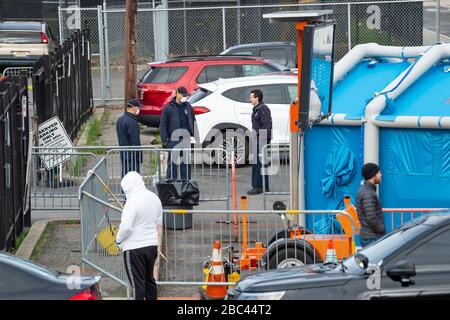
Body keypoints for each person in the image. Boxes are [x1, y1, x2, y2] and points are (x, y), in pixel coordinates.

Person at [115, 171, 162, 300]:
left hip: (134, 248)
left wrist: (118, 240)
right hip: (151, 246)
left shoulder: (131, 202)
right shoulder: (154, 198)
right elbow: (158, 221)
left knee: (137, 285)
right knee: (149, 280)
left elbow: (126, 227)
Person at [159, 86, 197, 180]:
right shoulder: (168, 108)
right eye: (183, 95)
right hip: (173, 140)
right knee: (172, 165)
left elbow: (193, 121)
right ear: (177, 94)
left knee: (186, 164)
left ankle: (186, 184)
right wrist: (164, 140)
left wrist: (196, 137)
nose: (185, 97)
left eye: (186, 95)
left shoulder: (188, 107)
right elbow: (163, 124)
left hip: (186, 139)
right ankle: (171, 185)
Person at [248, 89, 272, 195]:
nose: (250, 99)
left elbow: (266, 126)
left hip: (261, 140)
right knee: (261, 163)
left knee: (258, 163)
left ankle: (257, 186)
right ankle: (264, 186)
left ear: (257, 98)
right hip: (257, 139)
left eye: (251, 97)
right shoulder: (256, 109)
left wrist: (263, 142)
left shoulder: (263, 109)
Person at [356, 163, 386, 247]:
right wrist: (381, 229)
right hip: (372, 238)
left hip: (369, 236)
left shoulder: (366, 190)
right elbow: (371, 216)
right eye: (379, 173)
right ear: (373, 175)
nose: (381, 175)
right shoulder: (368, 193)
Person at [116, 99, 142, 177]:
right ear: (134, 108)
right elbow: (135, 141)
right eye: (138, 107)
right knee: (133, 178)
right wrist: (138, 156)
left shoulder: (120, 120)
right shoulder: (132, 122)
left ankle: (123, 190)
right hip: (132, 155)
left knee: (125, 176)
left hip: (124, 153)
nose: (138, 109)